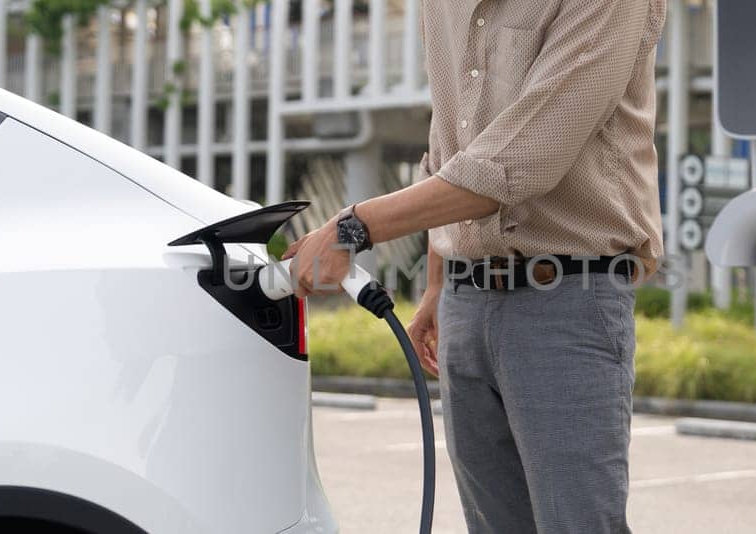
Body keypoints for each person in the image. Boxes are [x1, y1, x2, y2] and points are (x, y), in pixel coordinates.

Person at [283, 1, 666, 532]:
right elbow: (452, 140)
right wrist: (438, 283)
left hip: (567, 302)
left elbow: (523, 159)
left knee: (576, 525)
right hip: (466, 302)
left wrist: (354, 228)